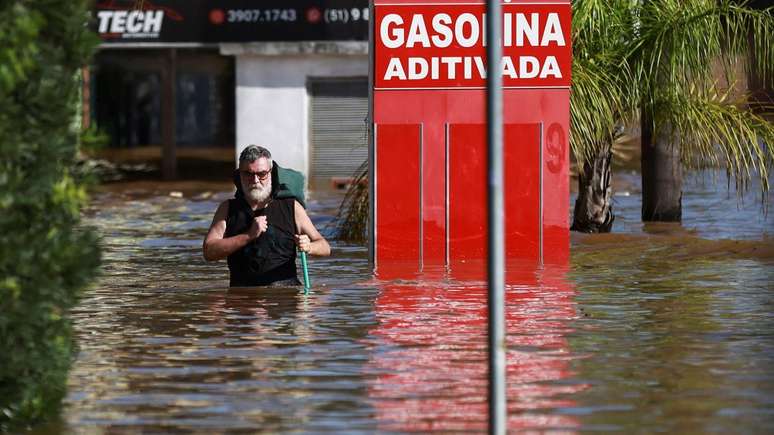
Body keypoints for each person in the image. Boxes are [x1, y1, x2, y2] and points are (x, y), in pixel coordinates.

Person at [203, 145, 330, 287]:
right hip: (242, 299)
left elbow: (325, 247)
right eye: (248, 174)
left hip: (285, 298)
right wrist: (248, 236)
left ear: (271, 173)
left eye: (261, 174)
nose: (255, 180)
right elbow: (209, 251)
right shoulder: (227, 208)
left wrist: (309, 247)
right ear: (240, 174)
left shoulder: (291, 207)